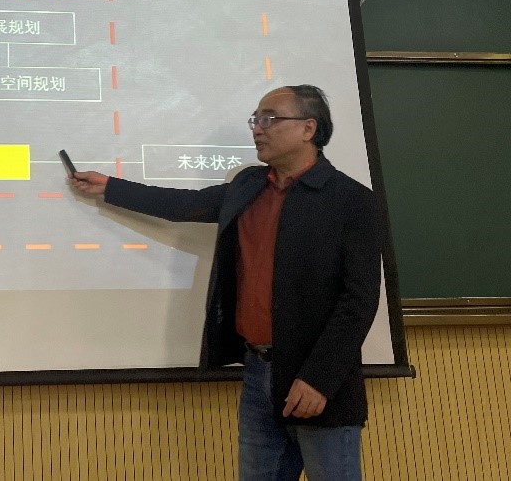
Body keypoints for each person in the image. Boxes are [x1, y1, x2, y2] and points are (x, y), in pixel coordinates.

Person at [69, 85, 383, 481]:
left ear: (308, 128)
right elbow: (185, 204)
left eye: (269, 118)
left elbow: (358, 301)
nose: (258, 128)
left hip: (317, 381)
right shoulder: (249, 185)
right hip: (258, 373)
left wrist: (319, 379)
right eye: (256, 119)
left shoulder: (351, 200)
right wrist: (110, 187)